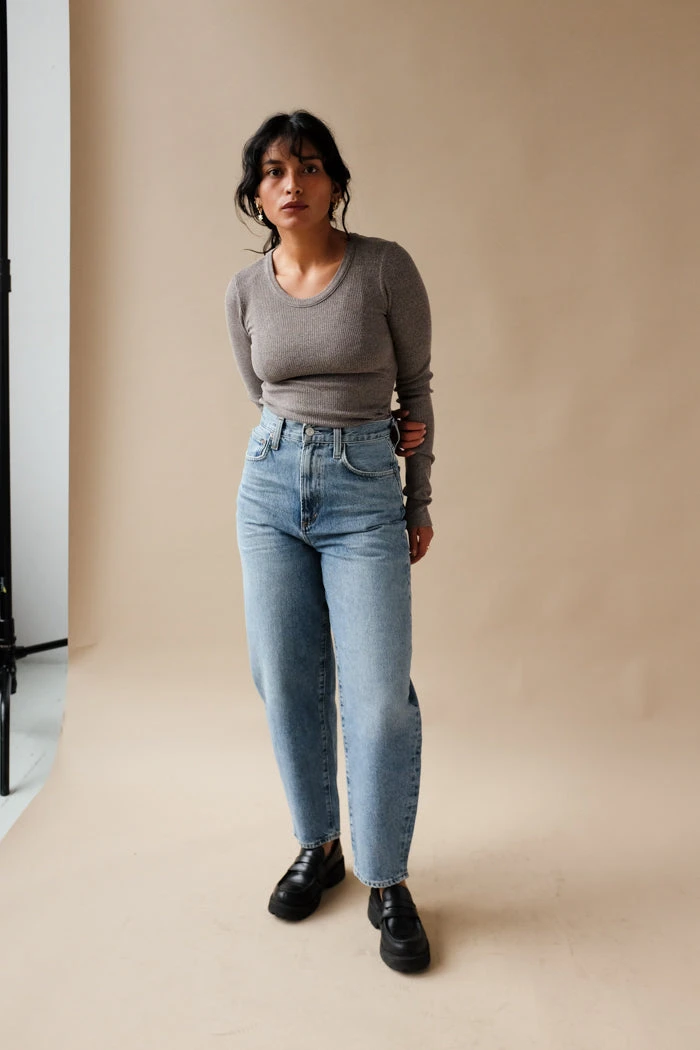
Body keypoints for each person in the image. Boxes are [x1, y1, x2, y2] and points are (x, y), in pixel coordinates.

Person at [225, 110, 435, 974]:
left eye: (309, 167)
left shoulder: (385, 268)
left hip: (364, 493)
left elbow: (416, 391)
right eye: (275, 170)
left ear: (335, 182)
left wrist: (417, 500)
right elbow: (261, 392)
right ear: (257, 192)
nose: (292, 184)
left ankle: (387, 879)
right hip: (270, 488)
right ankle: (320, 845)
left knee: (379, 698)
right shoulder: (245, 290)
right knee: (285, 679)